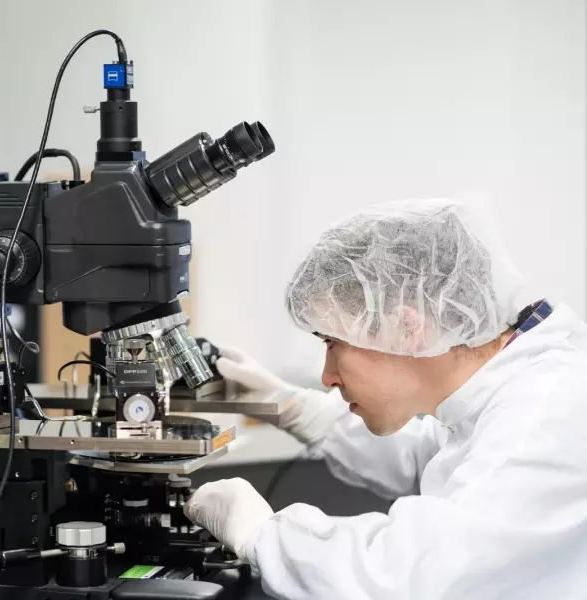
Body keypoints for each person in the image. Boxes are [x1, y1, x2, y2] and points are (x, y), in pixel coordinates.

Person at [184, 198, 587, 599]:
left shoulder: (540, 415)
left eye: (333, 342)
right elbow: (430, 457)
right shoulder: (500, 392)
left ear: (407, 329)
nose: (327, 376)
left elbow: (405, 579)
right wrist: (295, 409)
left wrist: (261, 534)